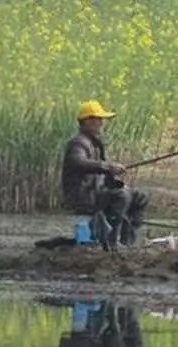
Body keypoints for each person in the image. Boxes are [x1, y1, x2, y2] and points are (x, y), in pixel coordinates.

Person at [61, 100, 149, 249]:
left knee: (140, 197)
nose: (102, 123)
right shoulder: (78, 143)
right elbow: (77, 162)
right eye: (98, 119)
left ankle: (127, 241)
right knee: (121, 196)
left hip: (97, 193)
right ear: (87, 121)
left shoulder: (94, 143)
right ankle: (110, 243)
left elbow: (100, 174)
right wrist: (108, 167)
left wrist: (112, 175)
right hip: (82, 196)